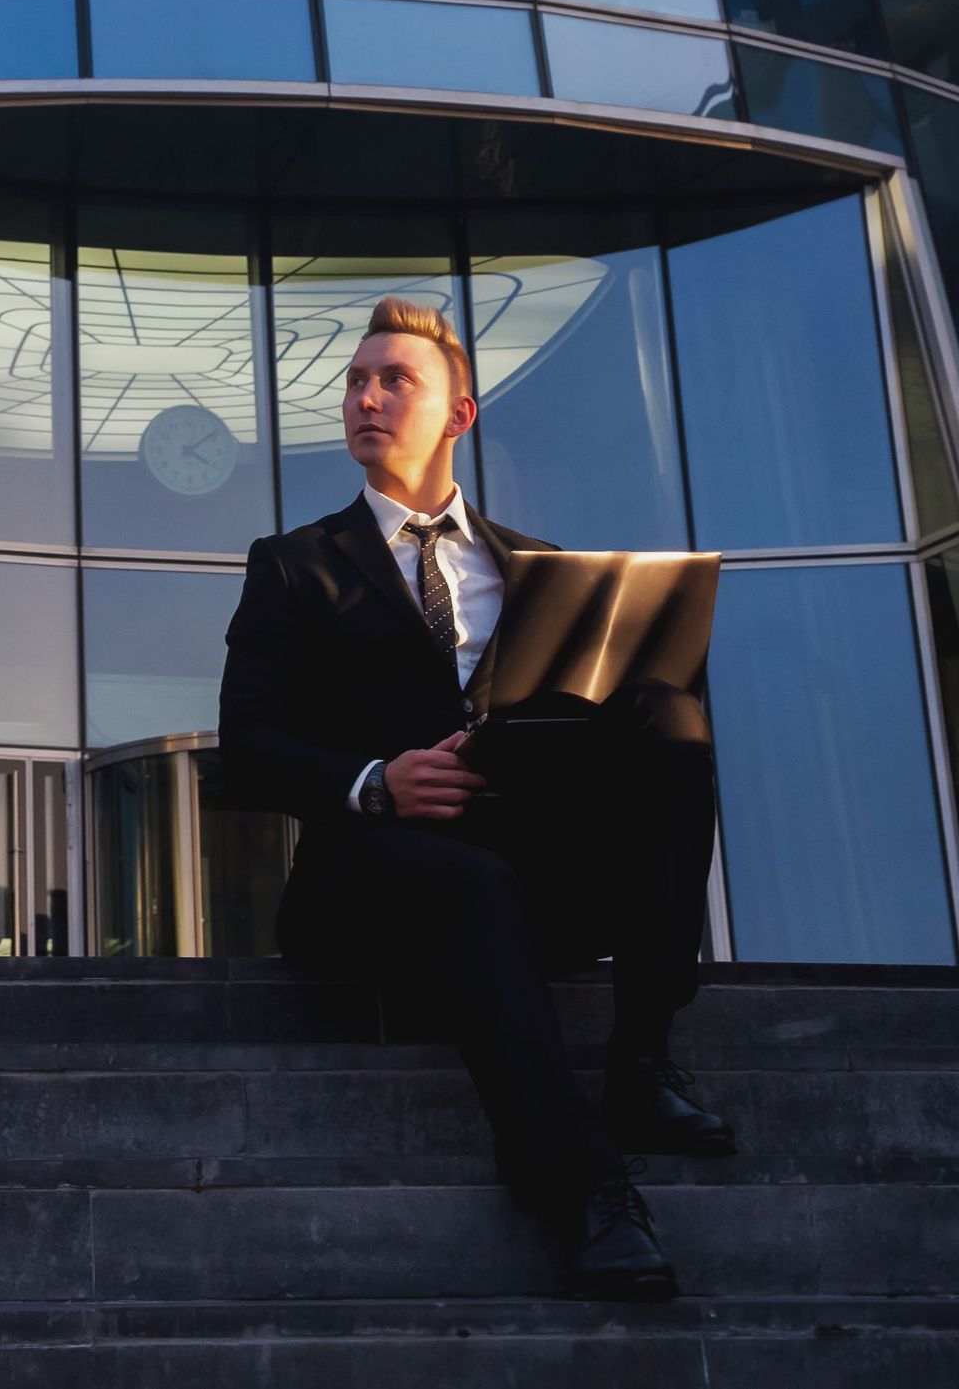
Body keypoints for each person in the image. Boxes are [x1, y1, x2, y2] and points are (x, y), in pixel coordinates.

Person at [218, 295, 732, 1301]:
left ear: (459, 413)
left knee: (669, 713)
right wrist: (375, 782)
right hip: (367, 883)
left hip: (525, 875)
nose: (365, 395)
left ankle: (641, 1059)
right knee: (471, 881)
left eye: (393, 379)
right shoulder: (292, 566)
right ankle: (588, 1191)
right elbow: (248, 746)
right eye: (357, 380)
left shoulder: (540, 569)